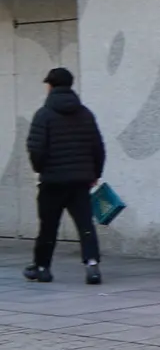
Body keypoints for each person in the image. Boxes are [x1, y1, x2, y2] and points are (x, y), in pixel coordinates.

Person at [24, 67, 106, 285]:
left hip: (52, 181)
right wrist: (95, 173)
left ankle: (42, 268)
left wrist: (40, 169)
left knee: (48, 225)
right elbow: (98, 147)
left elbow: (36, 148)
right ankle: (92, 265)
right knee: (85, 224)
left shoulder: (44, 114)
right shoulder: (85, 114)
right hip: (81, 181)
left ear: (50, 86)